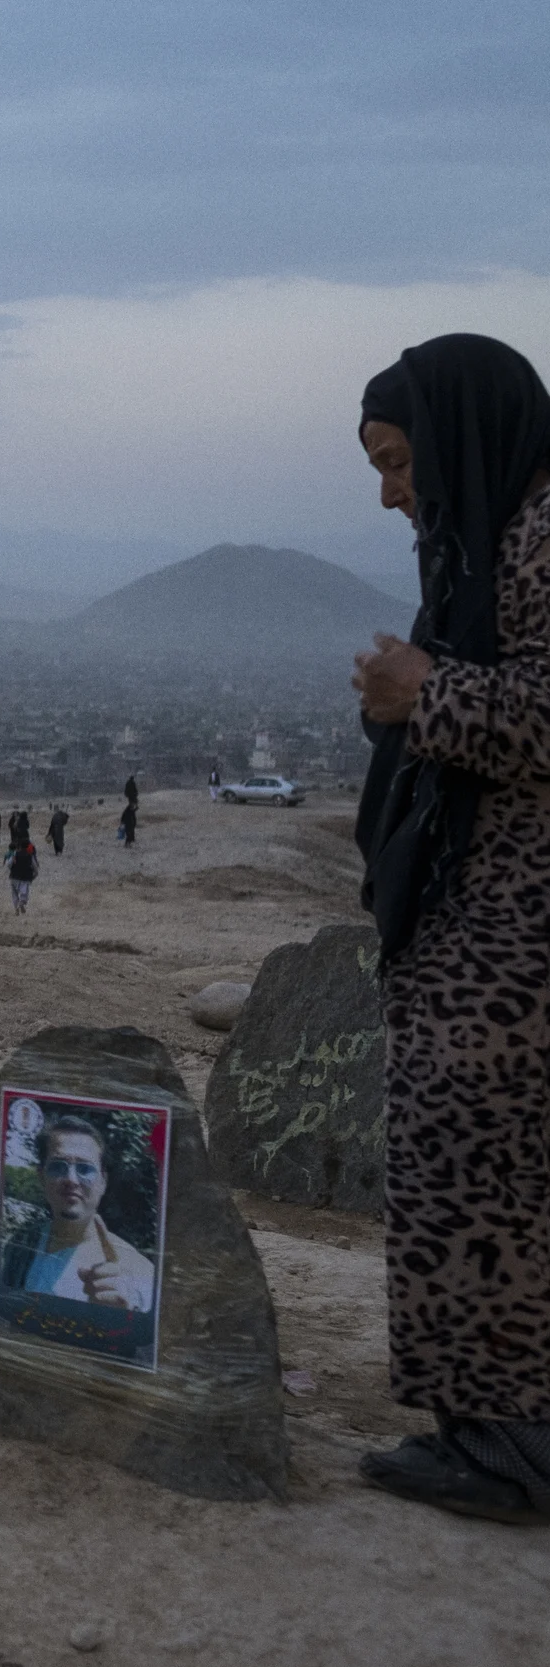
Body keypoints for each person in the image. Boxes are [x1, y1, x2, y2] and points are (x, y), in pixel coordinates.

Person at [349, 334, 550, 1525]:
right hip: (482, 928)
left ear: (458, 434)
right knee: (461, 1173)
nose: (391, 493)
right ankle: (481, 1424)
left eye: (396, 460)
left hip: (520, 952)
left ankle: (513, 1443)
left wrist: (429, 692)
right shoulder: (497, 541)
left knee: (489, 1183)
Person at [0, 1115, 156, 1312]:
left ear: (103, 1182)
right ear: (41, 1177)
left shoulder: (138, 1272)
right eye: (57, 1167)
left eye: (85, 1169)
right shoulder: (20, 1245)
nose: (71, 1179)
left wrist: (124, 1319)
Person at [7, 837, 40, 914]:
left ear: (20, 846)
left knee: (14, 893)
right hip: (25, 878)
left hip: (14, 877)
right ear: (28, 846)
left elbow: (9, 864)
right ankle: (21, 902)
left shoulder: (15, 854)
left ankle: (16, 907)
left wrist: (13, 869)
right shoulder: (30, 856)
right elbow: (36, 870)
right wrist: (32, 877)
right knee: (24, 892)